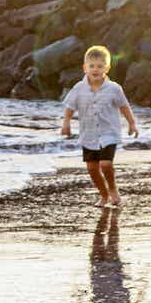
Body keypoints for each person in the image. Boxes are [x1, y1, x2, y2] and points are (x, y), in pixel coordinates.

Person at [61, 45, 138, 208]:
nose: (95, 69)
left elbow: (124, 106)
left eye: (100, 66)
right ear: (85, 68)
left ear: (107, 68)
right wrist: (66, 123)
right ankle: (104, 196)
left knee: (105, 164)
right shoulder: (78, 88)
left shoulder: (114, 89)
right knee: (92, 169)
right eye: (92, 66)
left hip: (109, 133)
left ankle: (113, 189)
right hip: (88, 135)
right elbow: (70, 106)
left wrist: (132, 124)